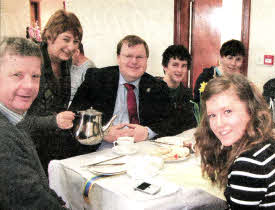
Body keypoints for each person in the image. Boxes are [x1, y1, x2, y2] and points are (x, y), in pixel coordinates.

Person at [195, 75, 275, 209]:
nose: (218, 124)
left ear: (250, 110)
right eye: (212, 115)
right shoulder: (269, 142)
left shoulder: (249, 163)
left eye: (228, 111)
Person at [70, 35, 171, 150]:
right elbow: (74, 115)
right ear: (118, 58)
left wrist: (147, 132)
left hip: (142, 149)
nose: (134, 61)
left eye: (139, 57)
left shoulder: (157, 86)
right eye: (128, 56)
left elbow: (170, 120)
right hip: (102, 149)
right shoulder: (97, 78)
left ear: (146, 60)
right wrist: (101, 132)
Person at [0, 37, 67, 209]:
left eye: (35, 76)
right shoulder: (3, 137)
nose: (29, 86)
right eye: (17, 75)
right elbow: (32, 202)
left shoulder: (14, 121)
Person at [24, 9, 82, 174]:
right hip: (29, 149)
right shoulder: (32, 62)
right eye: (66, 39)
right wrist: (54, 120)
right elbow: (19, 121)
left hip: (52, 145)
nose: (71, 47)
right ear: (49, 36)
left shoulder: (64, 62)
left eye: (76, 41)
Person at [193, 39, 246, 104]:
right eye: (230, 58)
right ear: (221, 58)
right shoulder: (206, 77)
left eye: (238, 59)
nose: (233, 63)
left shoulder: (242, 82)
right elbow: (198, 106)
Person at [160, 44, 196, 134]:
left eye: (183, 66)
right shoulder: (152, 90)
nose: (179, 70)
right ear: (165, 66)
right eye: (175, 65)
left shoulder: (187, 94)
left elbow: (190, 125)